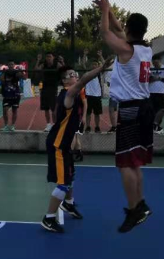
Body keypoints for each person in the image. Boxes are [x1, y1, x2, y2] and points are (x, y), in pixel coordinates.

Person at [94, 0, 154, 233]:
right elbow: (118, 29)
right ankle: (141, 203)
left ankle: (134, 210)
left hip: (131, 110)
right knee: (135, 162)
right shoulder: (145, 49)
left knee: (125, 164)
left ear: (129, 29)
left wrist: (103, 12)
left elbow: (106, 33)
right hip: (145, 107)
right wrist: (109, 10)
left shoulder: (126, 50)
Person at [41, 58, 113, 233]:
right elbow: (84, 80)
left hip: (65, 143)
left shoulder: (75, 95)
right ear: (65, 81)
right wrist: (101, 68)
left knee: (70, 176)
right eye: (72, 75)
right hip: (58, 145)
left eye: (75, 73)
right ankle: (48, 218)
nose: (76, 76)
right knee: (63, 183)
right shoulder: (69, 94)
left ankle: (68, 203)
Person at [149, 55, 164, 135]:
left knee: (162, 109)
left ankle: (155, 124)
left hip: (162, 92)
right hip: (152, 92)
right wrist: (151, 79)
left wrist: (160, 78)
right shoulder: (150, 69)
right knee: (153, 111)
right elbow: (146, 80)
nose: (155, 65)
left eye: (157, 63)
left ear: (160, 61)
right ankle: (156, 127)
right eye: (154, 63)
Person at [36, 53, 60, 131]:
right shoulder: (44, 64)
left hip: (53, 89)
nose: (48, 58)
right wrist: (38, 60)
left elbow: (64, 70)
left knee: (54, 109)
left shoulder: (57, 64)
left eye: (50, 56)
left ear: (53, 57)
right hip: (45, 88)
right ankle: (48, 124)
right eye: (47, 57)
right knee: (46, 108)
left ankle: (55, 125)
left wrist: (62, 62)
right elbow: (36, 70)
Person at [1, 61, 26, 132]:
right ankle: (6, 125)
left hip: (15, 94)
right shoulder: (5, 72)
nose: (11, 65)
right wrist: (3, 73)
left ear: (14, 65)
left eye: (12, 64)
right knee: (5, 110)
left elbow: (24, 78)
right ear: (8, 65)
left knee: (14, 110)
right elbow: (1, 79)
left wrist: (21, 72)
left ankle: (12, 125)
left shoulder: (16, 72)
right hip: (7, 94)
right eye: (9, 64)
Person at [83, 57, 104, 134]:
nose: (94, 66)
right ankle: (88, 127)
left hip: (97, 96)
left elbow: (104, 65)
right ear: (91, 65)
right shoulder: (88, 73)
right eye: (93, 64)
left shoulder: (99, 73)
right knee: (88, 113)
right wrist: (84, 55)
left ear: (98, 66)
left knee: (97, 113)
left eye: (96, 64)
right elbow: (83, 65)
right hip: (88, 95)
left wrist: (100, 56)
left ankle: (97, 127)